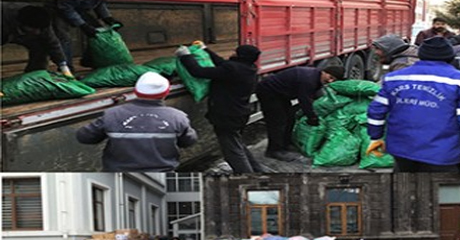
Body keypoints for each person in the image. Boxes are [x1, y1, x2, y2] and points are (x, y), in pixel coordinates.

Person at [366, 36, 460, 172]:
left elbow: (376, 110)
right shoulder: (459, 81)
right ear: (449, 56)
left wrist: (375, 137)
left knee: (404, 186)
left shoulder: (393, 78)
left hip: (401, 149)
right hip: (441, 153)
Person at [76, 72, 198, 171]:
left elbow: (84, 137)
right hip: (162, 176)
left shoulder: (112, 114)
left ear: (136, 91)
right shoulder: (177, 117)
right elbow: (189, 141)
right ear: (166, 93)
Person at [176, 42, 263, 173]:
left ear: (241, 56)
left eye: (236, 52)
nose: (233, 53)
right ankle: (257, 170)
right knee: (237, 144)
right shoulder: (248, 68)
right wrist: (206, 50)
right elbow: (222, 63)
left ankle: (247, 177)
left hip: (227, 116)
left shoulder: (233, 69)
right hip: (239, 114)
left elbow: (198, 72)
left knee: (232, 152)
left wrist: (185, 56)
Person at [255, 65, 346, 161]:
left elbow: (314, 95)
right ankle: (274, 150)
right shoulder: (308, 79)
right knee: (278, 121)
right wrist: (312, 117)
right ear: (324, 72)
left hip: (282, 94)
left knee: (290, 117)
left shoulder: (316, 77)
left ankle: (286, 143)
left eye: (334, 80)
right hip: (269, 92)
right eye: (330, 77)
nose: (330, 81)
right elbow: (305, 100)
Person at [1, 3, 72, 77]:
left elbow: (53, 43)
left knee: (42, 46)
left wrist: (63, 66)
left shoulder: (42, 23)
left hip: (23, 33)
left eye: (40, 30)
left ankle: (35, 76)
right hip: (6, 28)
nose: (38, 32)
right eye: (34, 29)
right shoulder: (5, 16)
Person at [49, 0, 122, 69]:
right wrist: (83, 25)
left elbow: (99, 3)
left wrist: (108, 18)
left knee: (98, 32)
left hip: (80, 8)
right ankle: (66, 67)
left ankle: (88, 60)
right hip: (59, 8)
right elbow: (66, 8)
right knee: (64, 37)